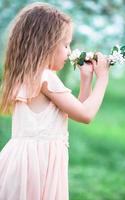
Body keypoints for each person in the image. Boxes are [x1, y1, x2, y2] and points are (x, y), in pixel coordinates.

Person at [0, 2, 109, 200]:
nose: (69, 52)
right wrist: (103, 79)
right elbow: (85, 115)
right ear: (46, 44)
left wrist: (86, 80)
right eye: (65, 44)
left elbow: (77, 110)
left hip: (26, 162)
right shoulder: (46, 77)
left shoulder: (30, 75)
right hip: (38, 166)